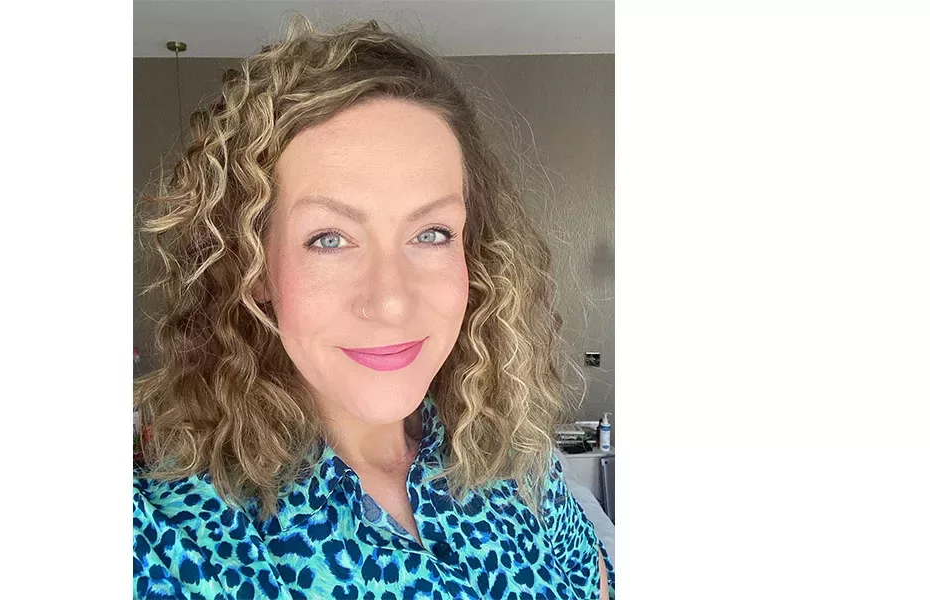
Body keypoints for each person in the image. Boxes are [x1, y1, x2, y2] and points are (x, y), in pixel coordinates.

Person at [133, 15, 615, 600]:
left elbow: (594, 578)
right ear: (253, 270)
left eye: (432, 233)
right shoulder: (177, 545)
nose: (390, 301)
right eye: (329, 239)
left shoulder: (515, 458)